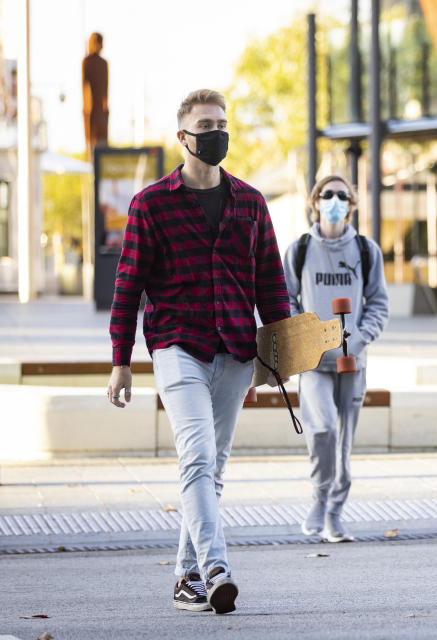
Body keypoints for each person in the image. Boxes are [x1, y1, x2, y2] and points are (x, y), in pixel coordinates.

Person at [106, 89, 290, 614]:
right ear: (183, 137)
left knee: (214, 467)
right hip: (176, 346)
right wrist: (121, 360)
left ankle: (187, 578)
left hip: (235, 351)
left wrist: (279, 354)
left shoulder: (251, 203)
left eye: (222, 123)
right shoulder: (150, 204)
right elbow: (128, 286)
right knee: (198, 455)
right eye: (206, 124)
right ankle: (216, 567)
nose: (217, 133)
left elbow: (271, 285)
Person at [283, 175, 389, 542]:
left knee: (343, 442)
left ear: (352, 204)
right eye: (327, 194)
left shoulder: (365, 250)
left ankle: (334, 512)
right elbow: (284, 299)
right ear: (315, 201)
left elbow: (378, 302)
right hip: (313, 362)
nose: (334, 200)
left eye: (342, 195)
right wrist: (302, 335)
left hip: (351, 362)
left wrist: (359, 339)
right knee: (323, 430)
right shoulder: (299, 250)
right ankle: (319, 495)